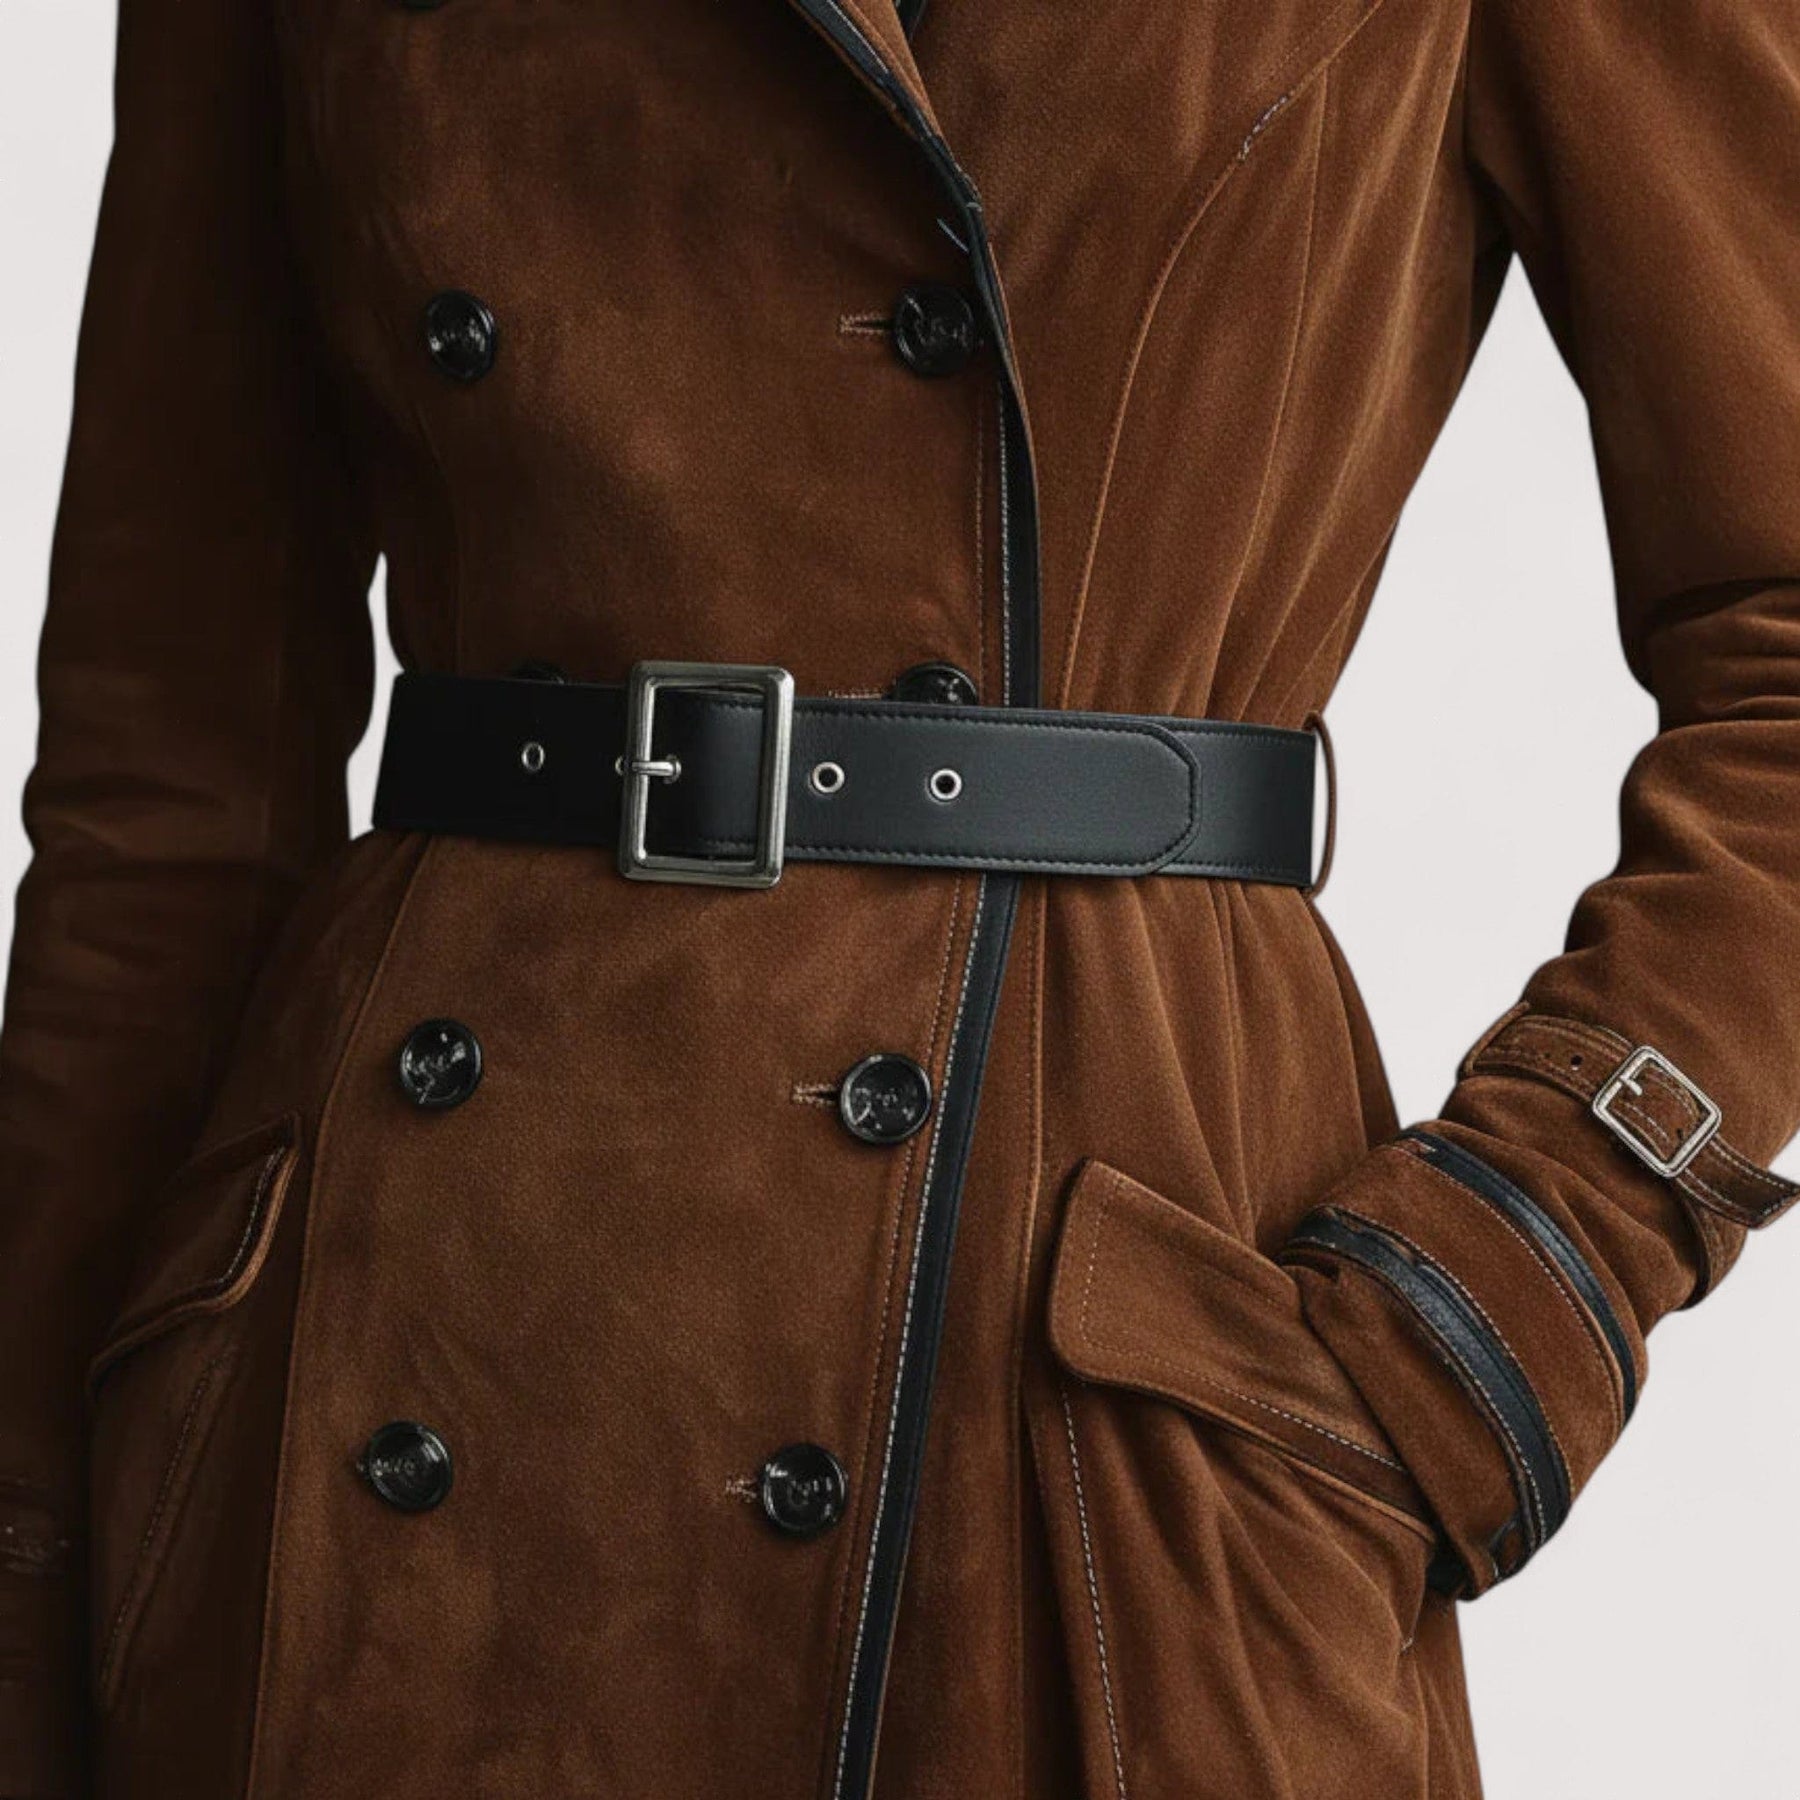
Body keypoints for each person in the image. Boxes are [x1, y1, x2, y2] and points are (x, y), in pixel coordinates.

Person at [3, 1, 1797, 1795]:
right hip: (393, 1387)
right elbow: (166, 790)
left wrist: (1489, 1302)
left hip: (1083, 1433)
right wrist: (32, 1543)